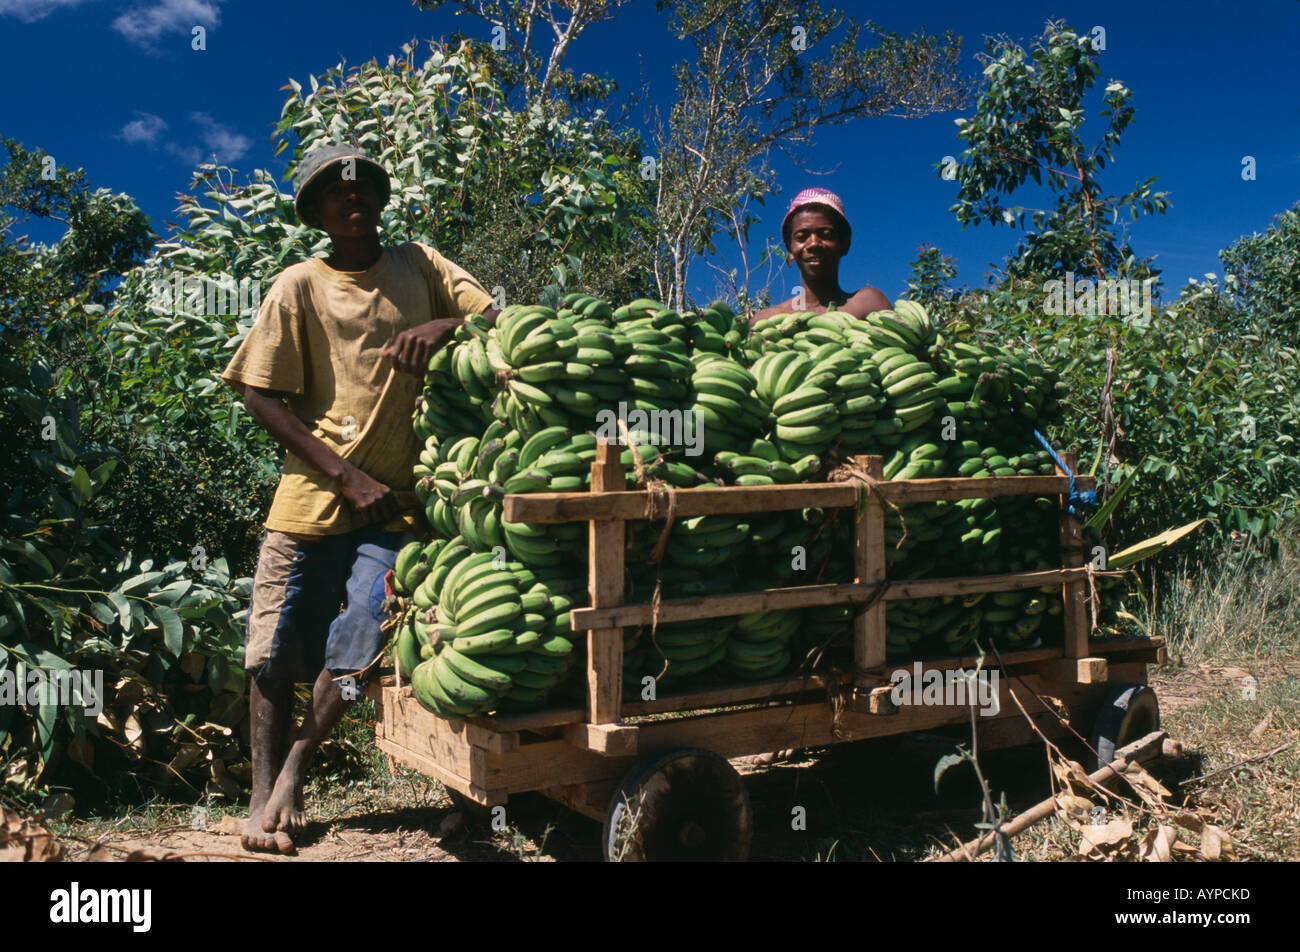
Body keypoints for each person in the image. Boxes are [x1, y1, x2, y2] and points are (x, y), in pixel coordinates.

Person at [220, 143, 498, 853]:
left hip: (397, 504)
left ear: (379, 199)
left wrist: (446, 326)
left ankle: (295, 770)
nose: (354, 199)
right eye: (336, 192)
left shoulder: (421, 265)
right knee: (276, 651)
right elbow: (258, 390)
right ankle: (259, 795)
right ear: (316, 212)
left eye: (365, 187)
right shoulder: (298, 285)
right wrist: (346, 475)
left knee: (361, 640)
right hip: (312, 497)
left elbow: (497, 318)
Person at [751, 187, 891, 325]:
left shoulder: (868, 304)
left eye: (826, 234)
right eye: (801, 237)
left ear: (844, 244)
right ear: (790, 251)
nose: (813, 244)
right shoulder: (767, 321)